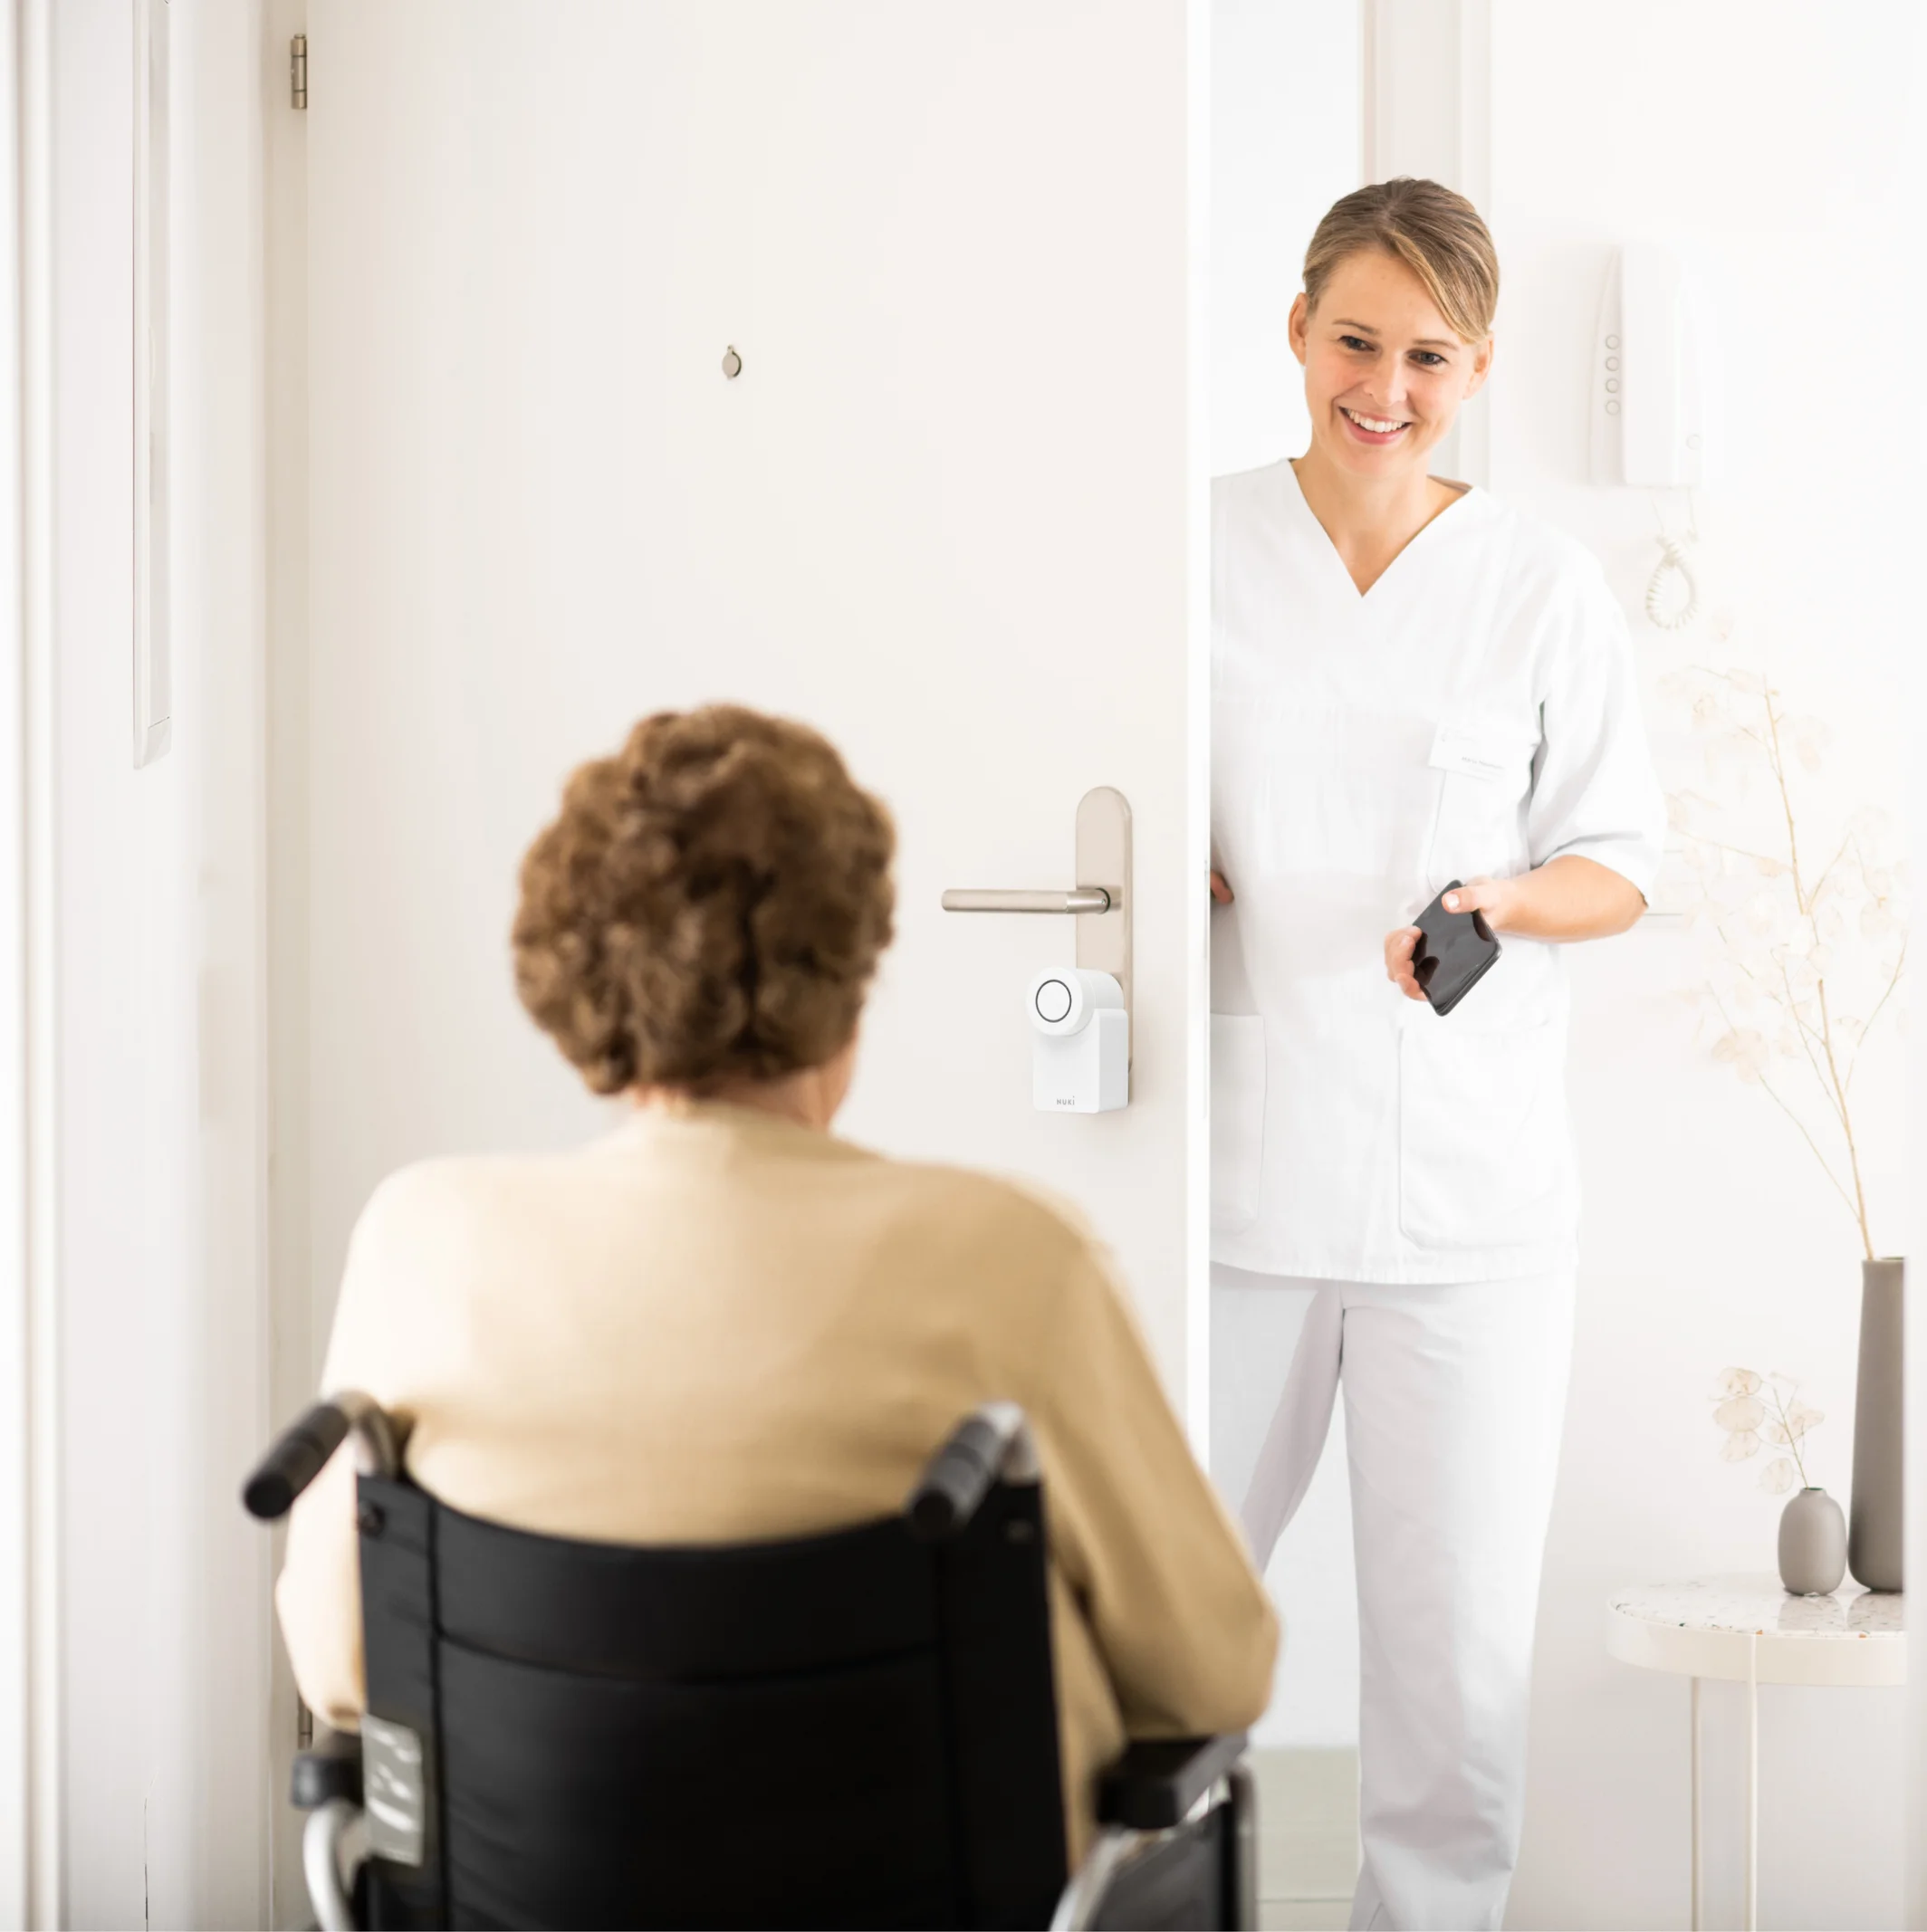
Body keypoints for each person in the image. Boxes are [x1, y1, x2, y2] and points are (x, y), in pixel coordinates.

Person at [274, 704, 1275, 1868]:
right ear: (851, 982)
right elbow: (1211, 1668)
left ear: (573, 974)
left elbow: (341, 1667)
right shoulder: (1008, 1258)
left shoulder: (423, 1241)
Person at [1208, 178, 1664, 1928]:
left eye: (1426, 355)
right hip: (1243, 1188)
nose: (1381, 385)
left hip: (1466, 1211)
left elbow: (1621, 862)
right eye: (1353, 340)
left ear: (1475, 367)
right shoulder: (1198, 547)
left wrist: (1500, 894)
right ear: (1299, 326)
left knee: (1450, 1690)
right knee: (1154, 1642)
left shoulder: (1540, 584)